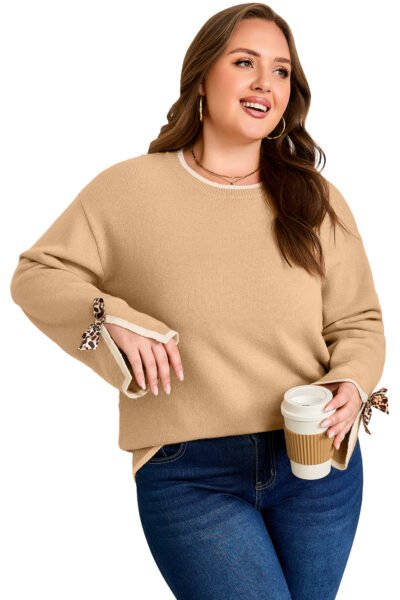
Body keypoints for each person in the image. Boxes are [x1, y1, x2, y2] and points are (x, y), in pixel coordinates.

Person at [10, 3, 389, 599]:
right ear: (203, 77)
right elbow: (37, 274)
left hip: (316, 461)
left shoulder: (315, 198)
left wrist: (351, 382)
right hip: (189, 473)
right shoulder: (128, 189)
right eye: (244, 63)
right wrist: (113, 320)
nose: (266, 83)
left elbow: (358, 320)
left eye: (281, 70)